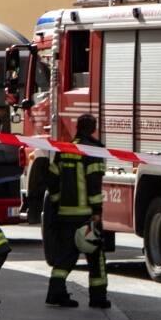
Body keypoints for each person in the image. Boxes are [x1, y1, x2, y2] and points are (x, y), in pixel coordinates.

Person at [47, 114, 108, 309]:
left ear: (77, 128)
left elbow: (52, 179)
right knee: (96, 256)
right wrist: (97, 211)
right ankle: (97, 298)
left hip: (65, 213)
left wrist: (57, 202)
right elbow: (94, 183)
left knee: (66, 255)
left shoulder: (64, 149)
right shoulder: (93, 150)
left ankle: (55, 293)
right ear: (93, 129)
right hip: (86, 215)